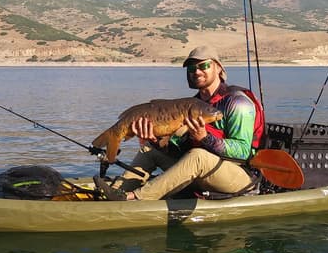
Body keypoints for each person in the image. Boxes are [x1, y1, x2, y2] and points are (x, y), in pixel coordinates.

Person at [94, 45, 265, 201]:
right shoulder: (193, 105)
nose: (197, 71)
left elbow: (243, 152)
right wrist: (155, 140)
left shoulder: (238, 103)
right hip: (200, 171)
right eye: (191, 68)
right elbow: (177, 146)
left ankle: (135, 198)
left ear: (219, 68)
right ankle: (113, 193)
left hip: (240, 177)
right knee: (149, 150)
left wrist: (205, 138)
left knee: (198, 156)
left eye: (203, 65)